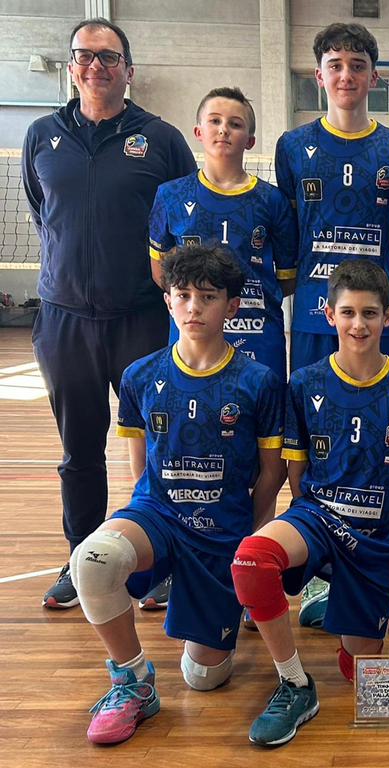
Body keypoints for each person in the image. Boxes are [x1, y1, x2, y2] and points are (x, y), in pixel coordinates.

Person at [69, 246, 286, 744]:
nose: (194, 307)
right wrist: (143, 519)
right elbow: (140, 469)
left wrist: (246, 541)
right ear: (168, 300)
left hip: (222, 531)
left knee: (203, 677)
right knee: (93, 560)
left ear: (231, 306)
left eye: (208, 297)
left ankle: (209, 609)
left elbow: (272, 473)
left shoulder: (259, 382)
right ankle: (133, 682)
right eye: (183, 295)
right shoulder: (140, 376)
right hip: (158, 514)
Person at [21, 17, 197, 610]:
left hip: (142, 318)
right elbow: (42, 211)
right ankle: (81, 559)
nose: (96, 65)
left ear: (128, 68)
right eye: (84, 55)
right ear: (72, 66)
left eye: (109, 56)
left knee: (161, 445)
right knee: (80, 451)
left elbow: (183, 223)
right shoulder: (41, 135)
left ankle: (162, 561)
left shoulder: (162, 138)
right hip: (64, 321)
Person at [230, 259, 389, 746]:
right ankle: (295, 683)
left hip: (376, 535)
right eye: (348, 313)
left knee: (359, 670)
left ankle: (338, 601)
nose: (358, 324)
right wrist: (319, 520)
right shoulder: (303, 383)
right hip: (317, 515)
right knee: (251, 558)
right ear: (329, 314)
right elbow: (296, 473)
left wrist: (377, 517)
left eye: (369, 313)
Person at [275, 23, 389, 626]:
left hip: (377, 318)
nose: (346, 75)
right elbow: (286, 233)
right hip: (314, 316)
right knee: (311, 440)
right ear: (319, 75)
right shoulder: (292, 145)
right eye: (335, 64)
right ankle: (315, 567)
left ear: (374, 77)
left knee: (377, 442)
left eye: (357, 64)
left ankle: (367, 566)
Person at [149, 86, 297, 380]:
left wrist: (238, 304)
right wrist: (202, 306)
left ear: (250, 140)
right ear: (198, 131)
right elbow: (160, 272)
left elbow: (287, 279)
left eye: (235, 124)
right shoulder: (170, 195)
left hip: (258, 335)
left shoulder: (272, 200)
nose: (223, 129)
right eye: (214, 120)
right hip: (191, 336)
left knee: (262, 408)